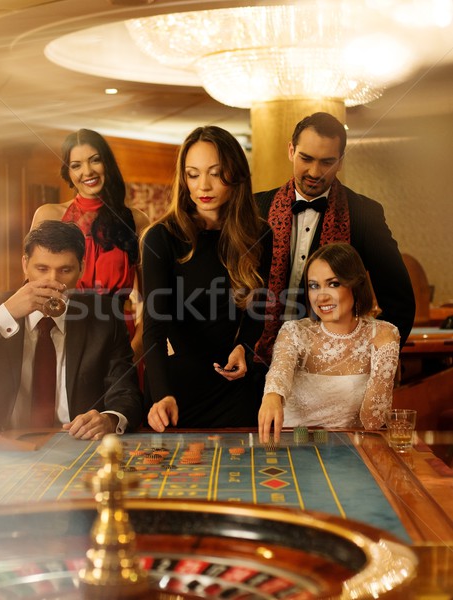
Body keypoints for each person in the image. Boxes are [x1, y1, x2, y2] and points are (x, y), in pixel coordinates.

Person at [254, 112, 414, 387]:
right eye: (306, 159)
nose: (315, 172)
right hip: (256, 363)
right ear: (291, 151)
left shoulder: (364, 213)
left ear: (340, 161)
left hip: (329, 372)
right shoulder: (254, 208)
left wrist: (364, 359)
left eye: (327, 162)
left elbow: (400, 303)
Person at [0, 221, 143, 439]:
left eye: (65, 270)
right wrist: (6, 316)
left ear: (82, 268)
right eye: (42, 269)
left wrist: (109, 418)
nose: (52, 281)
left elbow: (126, 392)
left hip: (75, 446)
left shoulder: (105, 315)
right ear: (25, 264)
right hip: (2, 444)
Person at [141, 125, 273, 431]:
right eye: (193, 173)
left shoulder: (260, 234)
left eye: (215, 172)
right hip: (175, 388)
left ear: (235, 174)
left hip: (232, 385)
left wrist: (245, 347)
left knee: (238, 476)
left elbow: (258, 307)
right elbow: (154, 329)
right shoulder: (161, 238)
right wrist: (162, 395)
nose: (204, 185)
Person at [258, 242, 400, 443]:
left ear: (355, 285)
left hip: (350, 453)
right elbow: (279, 371)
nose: (321, 297)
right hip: (294, 448)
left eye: (333, 284)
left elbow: (373, 422)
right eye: (314, 286)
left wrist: (385, 352)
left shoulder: (384, 333)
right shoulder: (295, 331)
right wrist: (272, 395)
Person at [31, 128, 149, 362]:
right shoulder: (48, 215)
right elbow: (32, 289)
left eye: (95, 160)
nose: (87, 171)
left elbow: (152, 299)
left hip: (121, 343)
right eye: (76, 165)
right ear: (68, 172)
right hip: (63, 337)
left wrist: (134, 350)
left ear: (108, 164)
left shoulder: (138, 221)